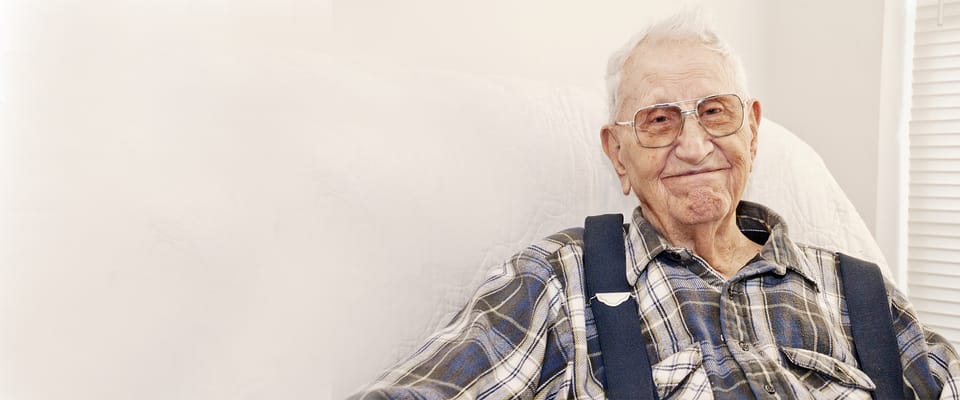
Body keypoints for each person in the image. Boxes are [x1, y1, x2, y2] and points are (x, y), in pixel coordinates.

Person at [349, 12, 960, 399]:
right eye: (659, 122)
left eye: (715, 112)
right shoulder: (560, 281)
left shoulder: (857, 291)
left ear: (751, 129)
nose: (695, 147)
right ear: (618, 154)